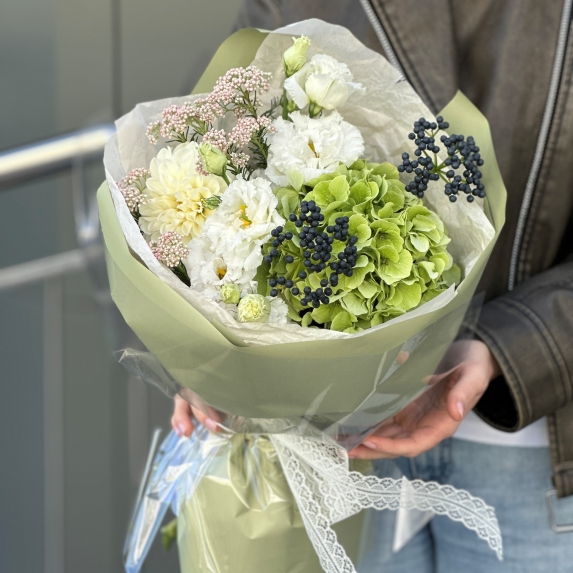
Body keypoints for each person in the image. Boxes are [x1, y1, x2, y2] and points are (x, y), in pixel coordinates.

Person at [172, 1, 573, 570]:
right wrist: (204, 345)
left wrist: (507, 345)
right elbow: (209, 174)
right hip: (327, 444)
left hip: (532, 445)